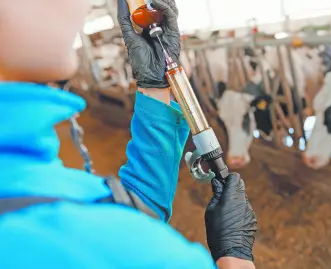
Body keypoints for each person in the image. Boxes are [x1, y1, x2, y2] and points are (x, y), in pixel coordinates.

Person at [0, 0, 257, 268]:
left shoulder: (18, 171)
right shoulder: (112, 251)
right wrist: (235, 256)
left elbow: (116, 209)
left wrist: (155, 86)